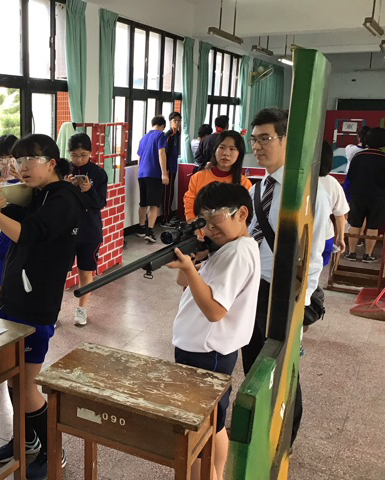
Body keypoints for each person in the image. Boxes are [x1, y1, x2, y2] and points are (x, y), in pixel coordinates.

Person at [0, 134, 87, 479]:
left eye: (31, 160)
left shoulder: (63, 199)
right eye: (18, 161)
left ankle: (53, 450)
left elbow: (25, 234)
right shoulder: (38, 194)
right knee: (13, 380)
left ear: (52, 163)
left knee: (27, 386)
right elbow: (6, 221)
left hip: (36, 305)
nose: (23, 167)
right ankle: (26, 438)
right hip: (15, 298)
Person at [241, 107, 330, 448]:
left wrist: (299, 306)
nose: (257, 146)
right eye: (254, 139)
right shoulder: (258, 187)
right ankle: (256, 427)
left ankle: (283, 438)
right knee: (253, 361)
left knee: (281, 369)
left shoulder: (307, 192)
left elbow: (313, 256)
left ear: (286, 141)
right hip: (253, 288)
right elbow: (250, 235)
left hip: (282, 293)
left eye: (265, 138)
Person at [169, 182, 259, 480]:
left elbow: (214, 310)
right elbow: (186, 286)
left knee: (199, 436)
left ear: (241, 213)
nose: (209, 228)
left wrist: (190, 268)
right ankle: (217, 474)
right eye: (203, 221)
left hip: (207, 354)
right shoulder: (230, 248)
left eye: (215, 218)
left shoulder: (237, 253)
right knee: (214, 424)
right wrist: (190, 263)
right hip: (208, 350)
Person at [65, 132, 108, 326]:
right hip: (65, 230)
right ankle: (54, 309)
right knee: (60, 272)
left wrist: (89, 190)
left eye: (83, 155)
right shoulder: (63, 170)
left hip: (89, 230)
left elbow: (100, 204)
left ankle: (81, 309)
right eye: (74, 155)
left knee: (85, 272)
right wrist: (64, 186)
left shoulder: (98, 174)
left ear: (90, 153)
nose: (79, 160)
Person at [184, 131, 252, 221]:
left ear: (239, 154)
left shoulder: (244, 183)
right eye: (222, 147)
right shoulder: (197, 178)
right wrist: (193, 223)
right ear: (215, 150)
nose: (225, 153)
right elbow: (189, 203)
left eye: (232, 149)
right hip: (201, 227)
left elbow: (245, 216)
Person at [344, 127, 385, 262]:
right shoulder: (383, 158)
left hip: (358, 195)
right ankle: (368, 255)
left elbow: (350, 176)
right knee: (373, 226)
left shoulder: (358, 156)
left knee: (354, 224)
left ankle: (351, 253)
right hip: (378, 197)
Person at [0, 134, 19, 316]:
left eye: (11, 158)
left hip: (25, 238)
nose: (7, 163)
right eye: (2, 159)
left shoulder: (30, 181)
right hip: (6, 237)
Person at [136, 115, 169, 243]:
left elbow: (139, 158)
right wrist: (164, 173)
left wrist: (140, 171)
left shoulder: (143, 138)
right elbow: (161, 153)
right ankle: (149, 232)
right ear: (163, 126)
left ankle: (140, 229)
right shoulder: (161, 135)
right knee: (154, 204)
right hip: (154, 174)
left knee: (143, 203)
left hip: (141, 174)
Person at [318, 141, 349, 266]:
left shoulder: (296, 181)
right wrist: (340, 237)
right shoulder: (332, 182)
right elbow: (340, 215)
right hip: (325, 236)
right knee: (317, 270)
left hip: (298, 237)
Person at [162, 112, 182, 227]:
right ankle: (165, 219)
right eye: (175, 120)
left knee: (171, 193)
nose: (177, 123)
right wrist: (165, 170)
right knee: (167, 194)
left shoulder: (177, 134)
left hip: (174, 167)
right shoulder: (168, 136)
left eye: (179, 120)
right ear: (170, 122)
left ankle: (169, 215)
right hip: (168, 169)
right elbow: (164, 154)